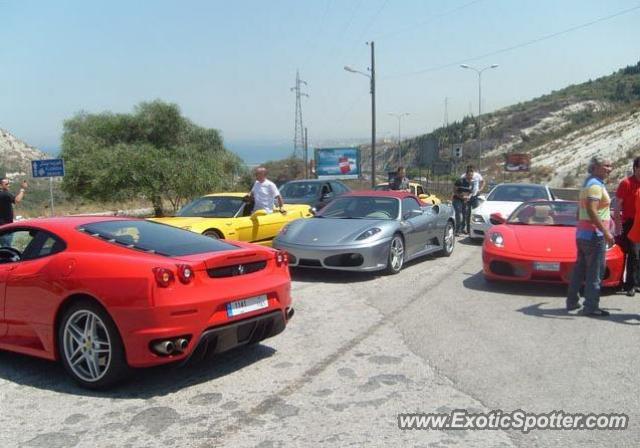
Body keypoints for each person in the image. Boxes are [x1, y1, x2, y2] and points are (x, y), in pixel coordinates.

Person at [566, 156, 614, 317]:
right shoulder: (595, 185)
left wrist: (582, 226)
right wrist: (606, 232)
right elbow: (592, 210)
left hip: (583, 234)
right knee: (595, 272)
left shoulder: (587, 184)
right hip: (595, 235)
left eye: (610, 166)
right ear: (595, 167)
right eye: (606, 166)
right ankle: (591, 307)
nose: (610, 169)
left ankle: (572, 301)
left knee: (579, 269)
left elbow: (579, 211)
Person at [614, 157, 640, 296]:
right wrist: (618, 225)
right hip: (630, 223)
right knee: (633, 254)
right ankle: (629, 284)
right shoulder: (626, 183)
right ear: (636, 168)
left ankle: (636, 282)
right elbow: (617, 206)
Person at [452, 169, 474, 236]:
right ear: (466, 175)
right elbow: (454, 190)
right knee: (459, 214)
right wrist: (460, 196)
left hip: (465, 201)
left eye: (472, 175)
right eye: (470, 175)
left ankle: (462, 229)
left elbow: (471, 193)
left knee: (465, 216)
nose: (471, 176)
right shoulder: (460, 181)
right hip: (457, 200)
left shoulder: (471, 183)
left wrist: (468, 197)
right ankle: (457, 230)